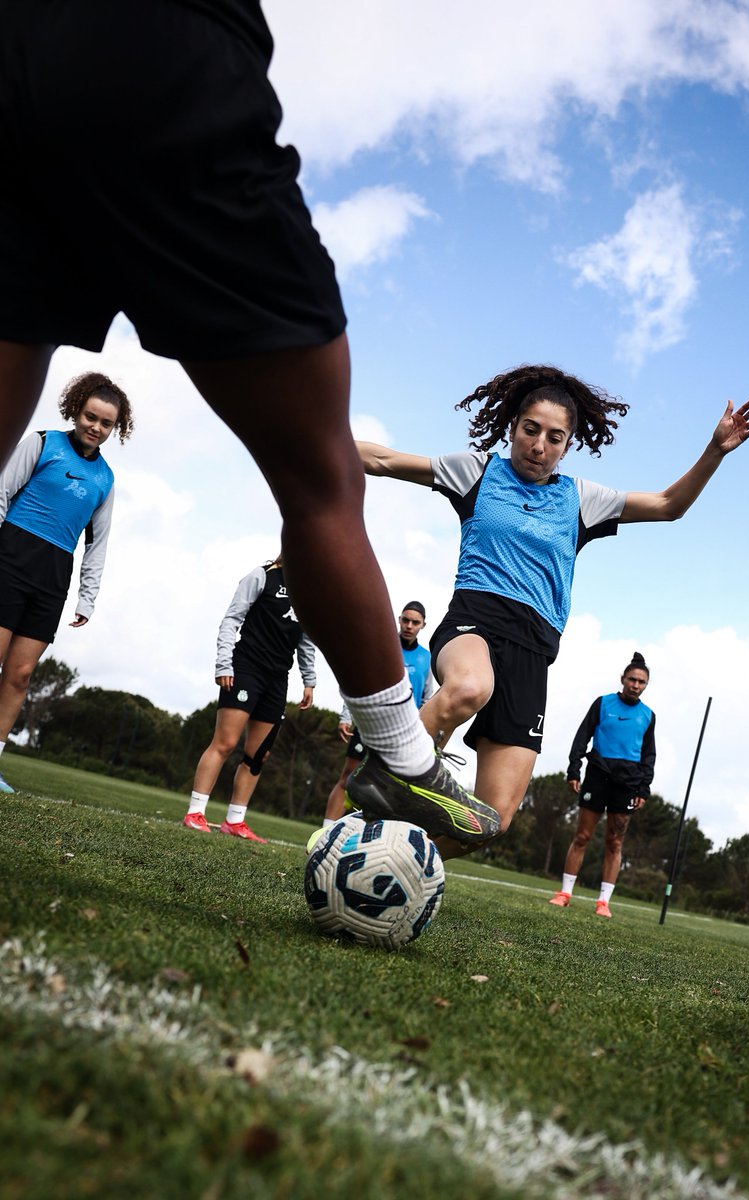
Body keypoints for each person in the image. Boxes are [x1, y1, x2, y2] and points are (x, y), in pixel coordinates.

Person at [0, 1, 492, 844]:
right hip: (170, 52)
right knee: (321, 480)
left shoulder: (104, 479)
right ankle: (404, 758)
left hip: (20, 42)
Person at [348, 365, 749, 858]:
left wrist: (715, 450)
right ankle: (386, 771)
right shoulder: (477, 472)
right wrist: (309, 433)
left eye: (554, 437)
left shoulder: (581, 499)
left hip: (534, 648)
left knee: (491, 821)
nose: (539, 445)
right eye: (530, 430)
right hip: (475, 622)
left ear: (567, 446)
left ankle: (387, 860)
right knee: (468, 687)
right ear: (513, 428)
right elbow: (383, 459)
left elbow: (668, 504)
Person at [0, 372, 134, 793]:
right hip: (10, 559)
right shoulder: (42, 443)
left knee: (20, 675)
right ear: (76, 410)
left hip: (54, 577)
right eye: (90, 416)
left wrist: (87, 597)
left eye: (106, 423)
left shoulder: (105, 479)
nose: (96, 427)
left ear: (116, 427)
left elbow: (97, 544)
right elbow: (2, 491)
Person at [184, 555, 316, 843]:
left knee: (258, 755)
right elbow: (232, 619)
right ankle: (195, 812)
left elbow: (306, 640)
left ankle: (234, 821)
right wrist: (224, 664)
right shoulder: (262, 576)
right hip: (246, 669)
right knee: (225, 743)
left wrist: (309, 680)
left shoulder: (310, 592)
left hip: (277, 678)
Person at [549, 651, 656, 917]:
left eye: (641, 682)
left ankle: (603, 902)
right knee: (582, 836)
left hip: (627, 782)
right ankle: (564, 894)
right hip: (598, 775)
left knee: (614, 843)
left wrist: (643, 788)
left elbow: (648, 755)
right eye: (632, 679)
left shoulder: (648, 715)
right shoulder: (603, 703)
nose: (636, 685)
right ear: (623, 679)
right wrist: (574, 769)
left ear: (646, 685)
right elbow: (582, 736)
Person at [325, 601, 435, 825]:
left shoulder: (426, 658)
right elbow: (359, 681)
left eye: (415, 622)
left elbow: (427, 699)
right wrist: (347, 716)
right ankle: (325, 832)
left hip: (402, 733)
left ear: (423, 625)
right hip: (370, 721)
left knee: (387, 789)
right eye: (406, 620)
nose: (409, 626)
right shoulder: (383, 645)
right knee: (348, 776)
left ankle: (370, 834)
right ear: (399, 619)